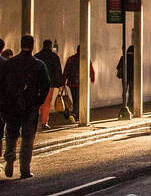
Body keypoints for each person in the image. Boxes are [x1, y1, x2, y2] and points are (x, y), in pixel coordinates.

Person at [0, 35, 51, 180]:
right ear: (33, 45)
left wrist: (4, 103)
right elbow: (46, 85)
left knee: (11, 134)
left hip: (12, 106)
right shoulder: (38, 65)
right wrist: (38, 101)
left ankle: (9, 158)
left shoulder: (9, 63)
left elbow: (2, 85)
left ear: (20, 44)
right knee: (28, 138)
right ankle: (24, 169)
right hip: (30, 106)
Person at [61, 44, 94, 122]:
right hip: (82, 83)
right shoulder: (86, 59)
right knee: (79, 99)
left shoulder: (71, 59)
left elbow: (66, 70)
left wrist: (63, 81)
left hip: (71, 83)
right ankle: (74, 114)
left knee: (75, 98)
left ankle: (77, 115)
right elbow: (91, 70)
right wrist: (92, 78)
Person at [37, 38, 64, 130]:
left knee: (38, 103)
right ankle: (44, 122)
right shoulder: (54, 57)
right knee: (46, 103)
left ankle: (38, 121)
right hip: (49, 84)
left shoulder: (37, 56)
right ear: (50, 46)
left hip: (38, 84)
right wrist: (60, 84)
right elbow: (57, 72)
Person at [116, 44, 134, 110]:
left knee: (124, 91)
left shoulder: (123, 57)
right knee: (131, 91)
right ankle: (129, 104)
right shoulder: (134, 58)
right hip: (132, 77)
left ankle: (124, 103)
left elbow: (118, 67)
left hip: (125, 77)